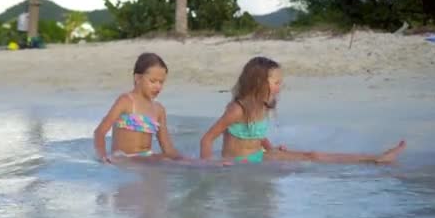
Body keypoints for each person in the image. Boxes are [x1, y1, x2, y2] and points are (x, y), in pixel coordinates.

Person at [199, 56, 406, 164]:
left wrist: (270, 149)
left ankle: (374, 158)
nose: (281, 86)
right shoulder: (237, 109)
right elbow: (207, 139)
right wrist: (208, 166)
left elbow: (256, 135)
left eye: (281, 81)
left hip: (260, 156)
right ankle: (375, 159)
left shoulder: (263, 105)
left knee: (312, 156)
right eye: (276, 82)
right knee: (311, 156)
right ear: (258, 82)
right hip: (239, 163)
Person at [94, 52, 183, 163]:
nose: (158, 86)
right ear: (138, 78)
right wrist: (103, 157)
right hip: (125, 160)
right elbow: (99, 132)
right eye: (153, 81)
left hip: (147, 159)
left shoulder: (158, 109)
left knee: (178, 162)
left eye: (161, 82)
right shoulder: (126, 101)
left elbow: (168, 148)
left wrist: (184, 160)